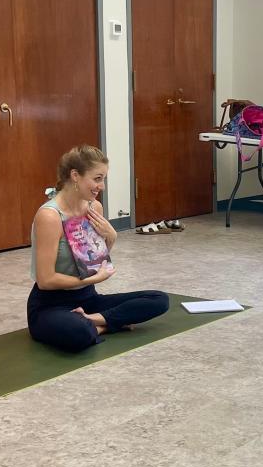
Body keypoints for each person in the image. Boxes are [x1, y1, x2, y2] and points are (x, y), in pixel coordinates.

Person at [28, 145, 169, 352]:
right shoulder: (49, 216)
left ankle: (93, 320)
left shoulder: (94, 207)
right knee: (78, 332)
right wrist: (91, 280)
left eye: (103, 179)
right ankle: (103, 326)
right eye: (97, 179)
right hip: (50, 305)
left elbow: (95, 260)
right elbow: (46, 280)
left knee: (159, 299)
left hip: (88, 299)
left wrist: (111, 237)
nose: (101, 186)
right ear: (75, 175)